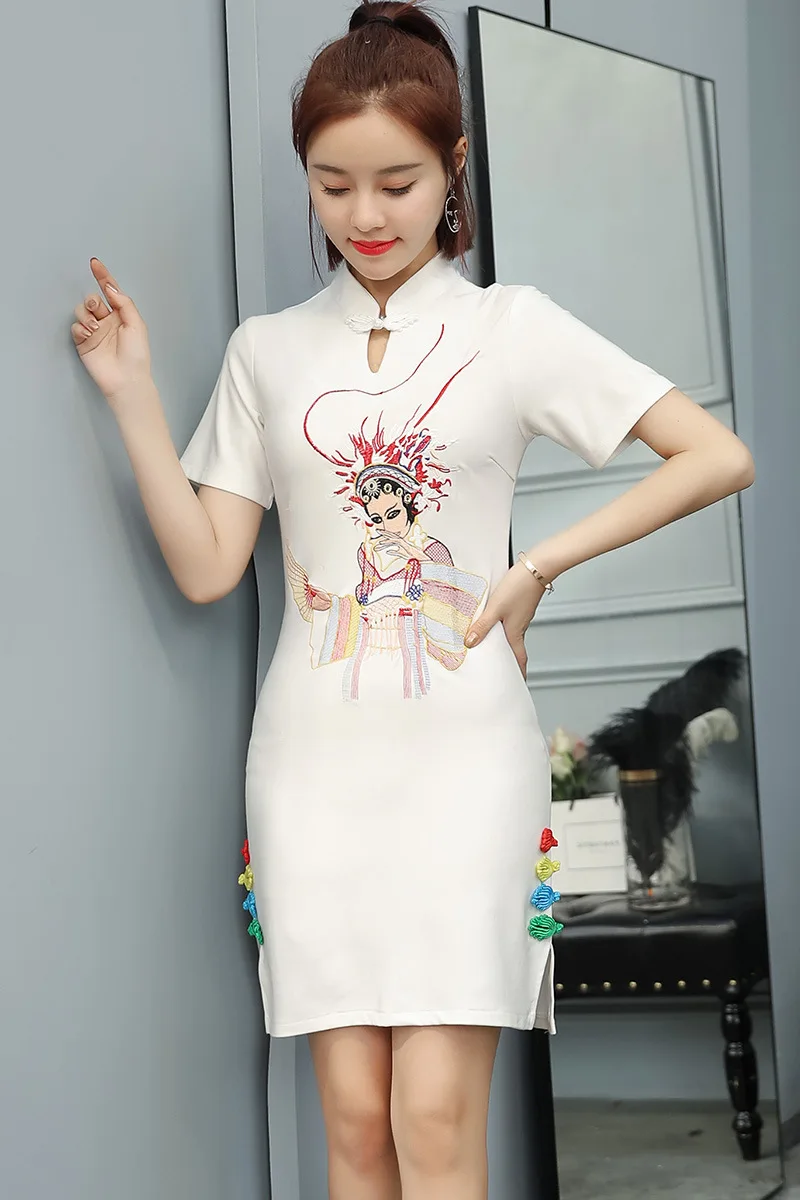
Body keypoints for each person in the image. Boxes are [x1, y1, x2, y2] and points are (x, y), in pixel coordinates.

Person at [69, 2, 755, 1196]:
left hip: (463, 767)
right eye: (331, 185)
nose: (365, 216)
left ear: (452, 168)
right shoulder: (266, 352)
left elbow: (714, 455)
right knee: (350, 1124)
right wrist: (131, 395)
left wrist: (535, 566)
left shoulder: (507, 327)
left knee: (432, 1119)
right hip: (310, 767)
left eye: (396, 183)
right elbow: (209, 565)